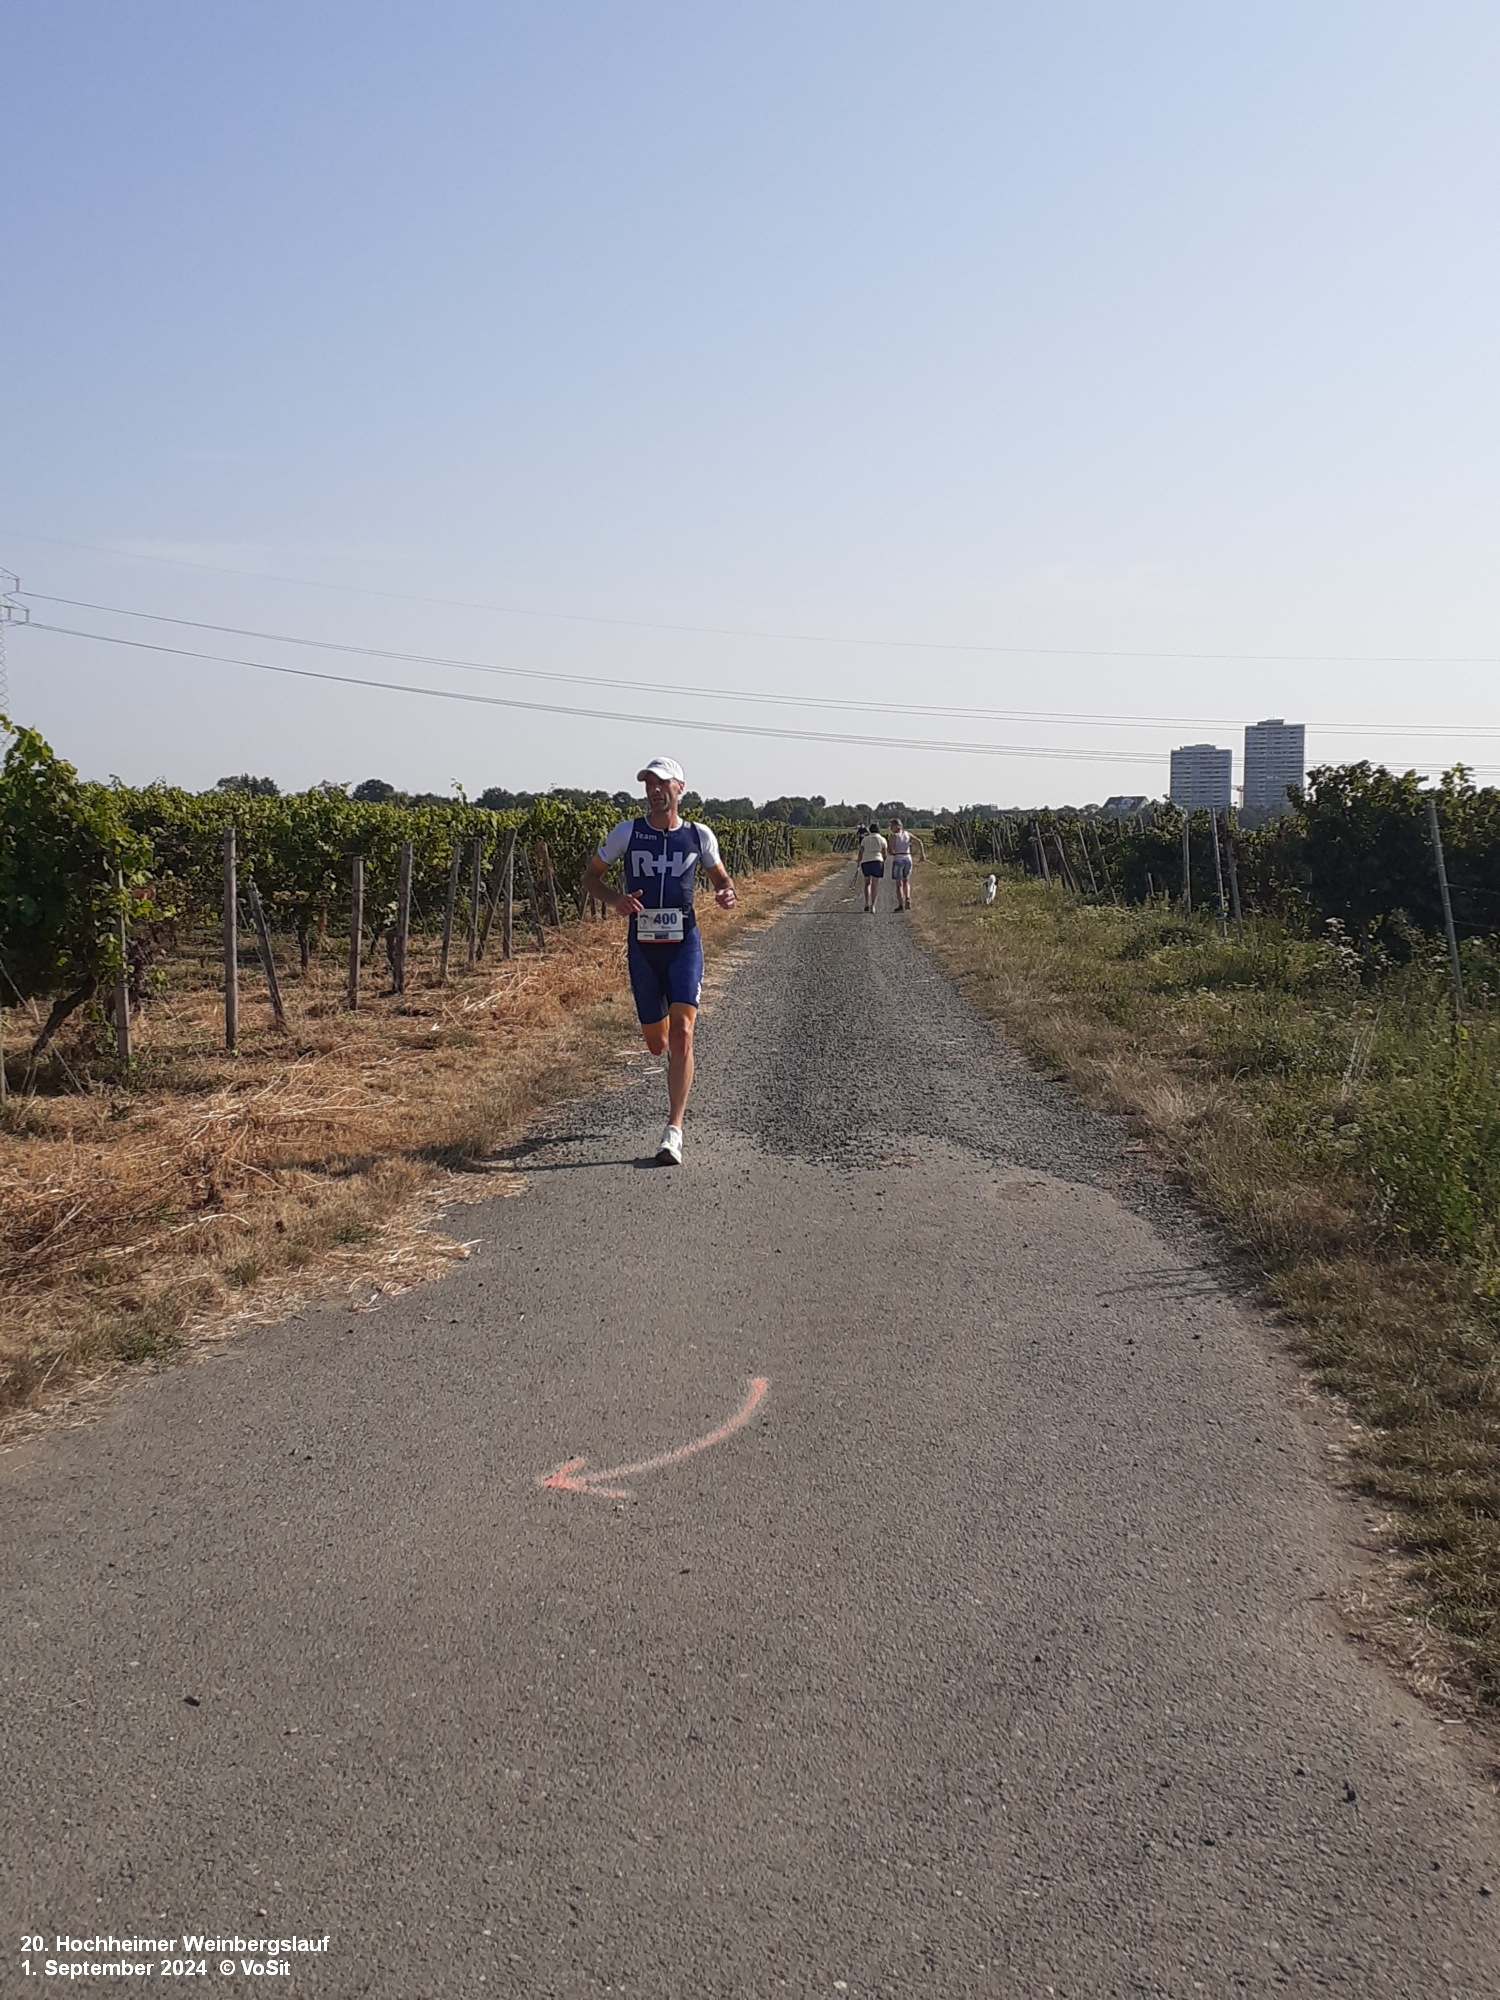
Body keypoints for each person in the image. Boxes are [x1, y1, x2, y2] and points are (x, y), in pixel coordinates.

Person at [581, 757, 736, 1166]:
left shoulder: (698, 835)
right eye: (648, 784)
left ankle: (674, 1130)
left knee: (683, 1033)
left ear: (679, 788)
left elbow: (722, 879)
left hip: (684, 944)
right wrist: (616, 899)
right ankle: (667, 1037)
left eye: (661, 784)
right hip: (644, 948)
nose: (653, 791)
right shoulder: (627, 833)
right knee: (658, 1045)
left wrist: (726, 892)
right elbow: (590, 878)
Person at [887, 817, 927, 911]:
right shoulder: (907, 834)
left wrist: (890, 852)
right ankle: (908, 898)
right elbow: (919, 841)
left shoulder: (894, 836)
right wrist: (922, 855)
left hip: (898, 859)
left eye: (892, 826)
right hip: (908, 858)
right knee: (906, 881)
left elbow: (891, 850)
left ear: (896, 826)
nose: (891, 828)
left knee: (898, 884)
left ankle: (900, 905)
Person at [858, 820, 888, 912]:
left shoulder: (865, 839)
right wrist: (882, 861)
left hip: (866, 861)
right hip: (877, 861)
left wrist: (858, 862)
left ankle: (866, 902)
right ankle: (873, 905)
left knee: (867, 883)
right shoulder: (882, 839)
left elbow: (861, 852)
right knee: (875, 885)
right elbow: (885, 854)